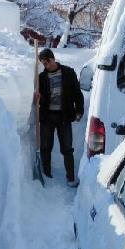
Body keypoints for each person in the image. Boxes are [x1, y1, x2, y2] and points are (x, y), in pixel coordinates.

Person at [35, 47, 84, 187]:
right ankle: (46, 174)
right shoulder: (41, 78)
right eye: (44, 64)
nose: (46, 65)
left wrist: (79, 110)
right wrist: (38, 97)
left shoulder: (68, 72)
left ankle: (71, 178)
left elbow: (77, 93)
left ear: (53, 58)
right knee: (45, 147)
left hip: (64, 116)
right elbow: (40, 99)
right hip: (47, 117)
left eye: (47, 62)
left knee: (67, 148)